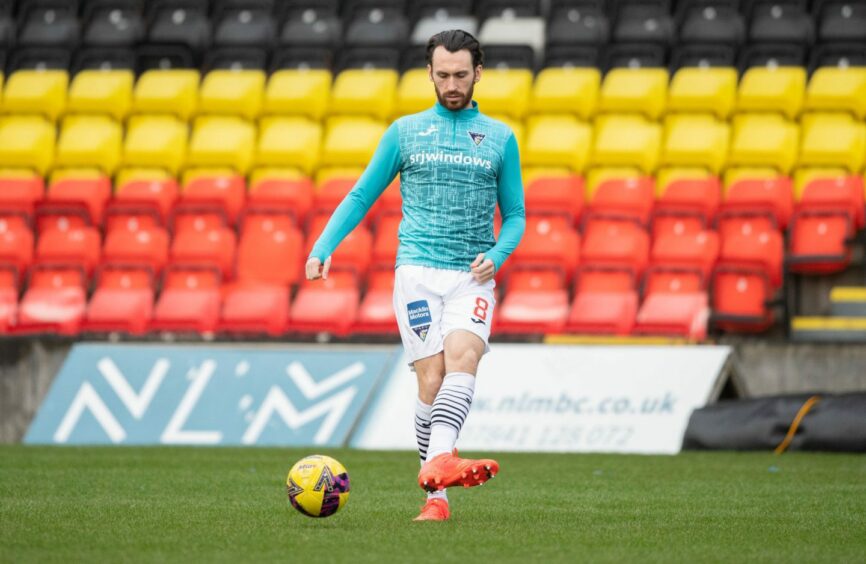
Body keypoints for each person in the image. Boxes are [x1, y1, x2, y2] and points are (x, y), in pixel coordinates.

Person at [305, 29, 525, 522]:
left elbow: (516, 214)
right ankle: (437, 495)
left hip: (472, 274)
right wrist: (323, 246)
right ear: (429, 73)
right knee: (432, 381)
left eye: (461, 75)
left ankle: (439, 467)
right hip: (418, 273)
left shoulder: (500, 137)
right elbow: (362, 194)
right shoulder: (404, 132)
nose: (452, 84)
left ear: (478, 74)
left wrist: (500, 253)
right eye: (443, 75)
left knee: (464, 356)